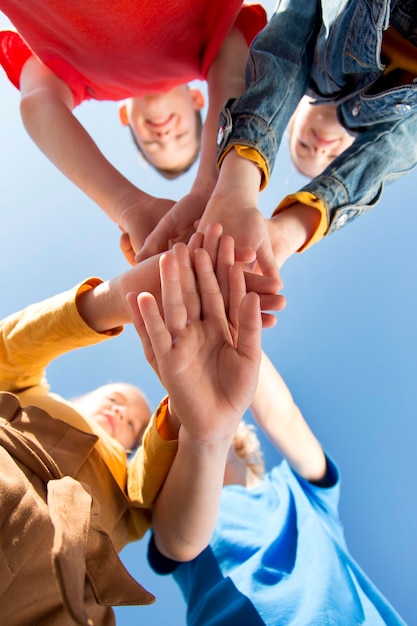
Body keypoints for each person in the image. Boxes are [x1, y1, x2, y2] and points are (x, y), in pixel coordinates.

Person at [0, 225, 283, 625]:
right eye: (114, 401)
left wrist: (186, 413)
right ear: (77, 399)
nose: (122, 414)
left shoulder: (130, 485)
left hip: (54, 595)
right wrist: (112, 300)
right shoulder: (28, 395)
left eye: (134, 424)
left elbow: (159, 492)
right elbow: (10, 351)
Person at [139, 0, 417, 278]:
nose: (319, 148)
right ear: (348, 148)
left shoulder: (314, 73)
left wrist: (237, 182)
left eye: (303, 145)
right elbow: (392, 152)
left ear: (293, 116)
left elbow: (287, 41)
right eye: (329, 157)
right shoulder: (383, 125)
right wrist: (287, 232)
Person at [146, 350, 406, 625]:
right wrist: (202, 434)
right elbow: (176, 541)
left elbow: (283, 417)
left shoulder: (302, 489)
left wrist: (232, 337)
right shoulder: (174, 509)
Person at [0, 1, 266, 259]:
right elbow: (232, 80)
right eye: (181, 136)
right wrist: (210, 185)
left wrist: (128, 206)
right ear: (198, 101)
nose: (163, 136)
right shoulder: (210, 44)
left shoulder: (81, 80)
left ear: (126, 117)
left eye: (152, 144)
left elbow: (37, 103)